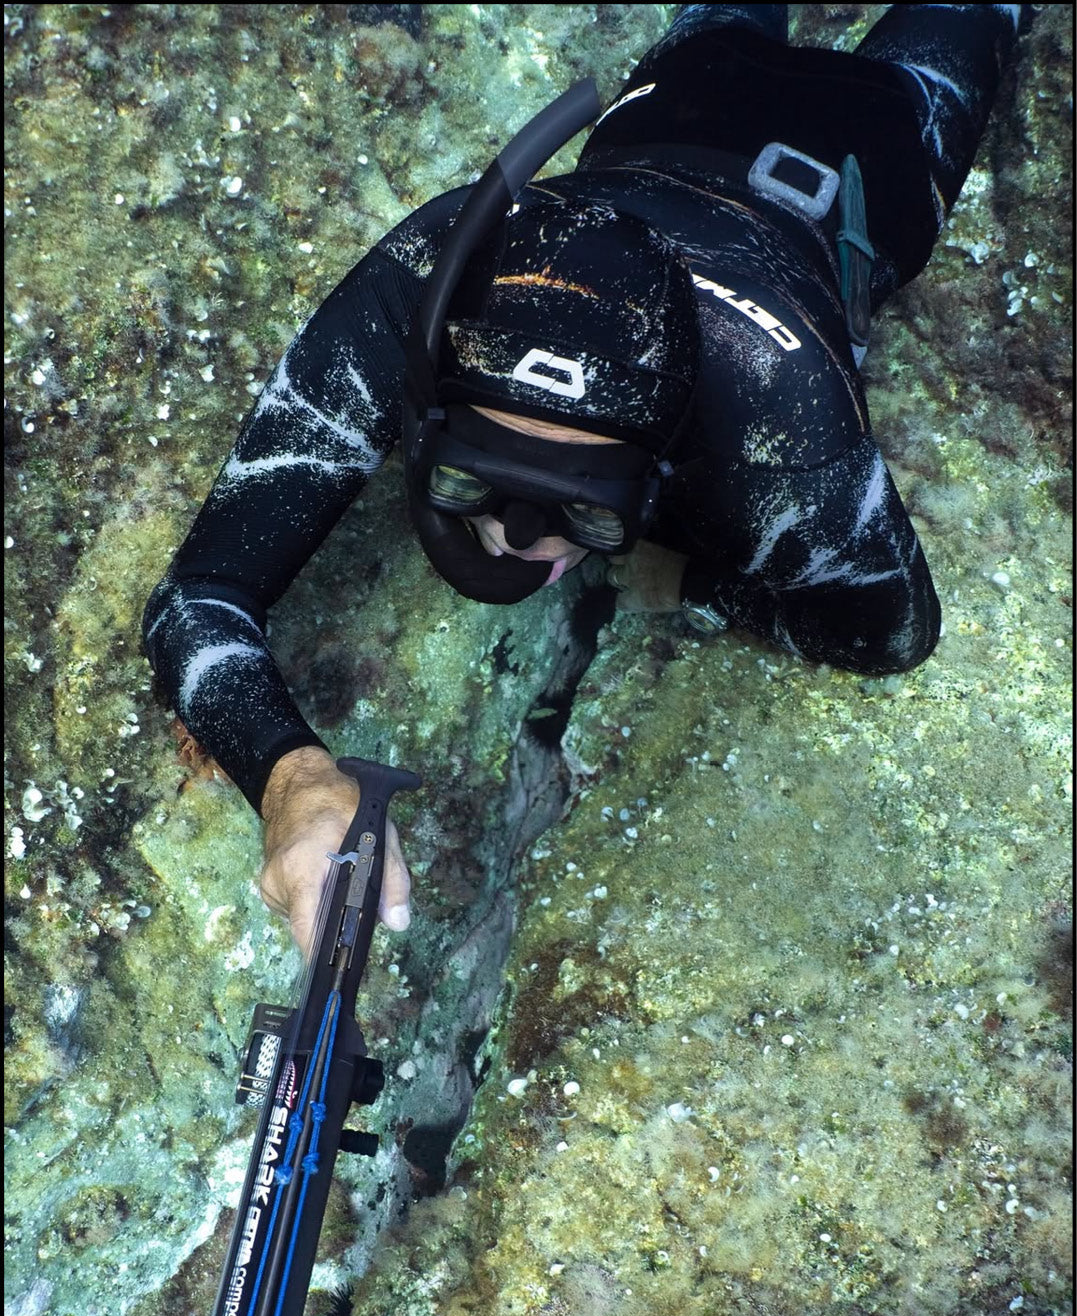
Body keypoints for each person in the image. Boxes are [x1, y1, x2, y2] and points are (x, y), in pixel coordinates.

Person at [143, 3, 1032, 958]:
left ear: (660, 474)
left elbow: (891, 631)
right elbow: (198, 595)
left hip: (871, 151)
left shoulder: (778, 419)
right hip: (688, 96)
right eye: (473, 478)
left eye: (586, 508)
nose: (514, 536)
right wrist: (293, 782)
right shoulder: (435, 273)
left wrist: (692, 578)